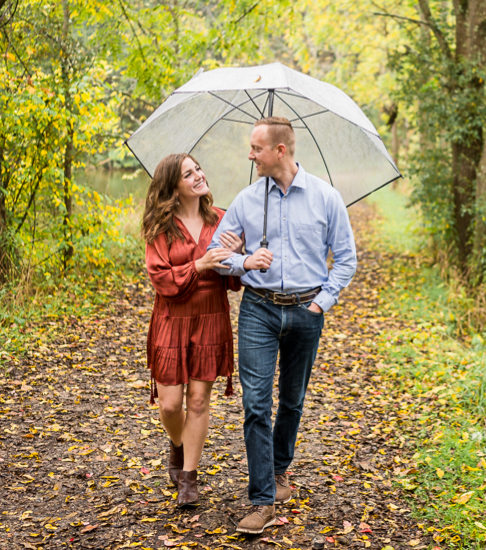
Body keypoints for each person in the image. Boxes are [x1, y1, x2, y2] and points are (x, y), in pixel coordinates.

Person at [209, 116, 357, 534]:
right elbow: (213, 253)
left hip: (306, 311)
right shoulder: (247, 199)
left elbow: (346, 259)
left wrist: (321, 303)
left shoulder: (326, 198)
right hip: (258, 308)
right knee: (256, 404)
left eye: (256, 148)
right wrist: (243, 261)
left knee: (292, 400)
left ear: (280, 151)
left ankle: (279, 469)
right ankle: (262, 501)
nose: (249, 154)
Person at [142, 153, 243, 507]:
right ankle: (179, 443)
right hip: (172, 319)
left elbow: (235, 278)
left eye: (199, 168)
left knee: (198, 401)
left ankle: (189, 477)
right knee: (171, 406)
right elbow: (161, 279)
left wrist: (239, 255)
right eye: (189, 173)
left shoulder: (224, 220)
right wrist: (199, 264)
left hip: (211, 315)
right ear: (174, 187)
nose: (199, 175)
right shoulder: (160, 227)